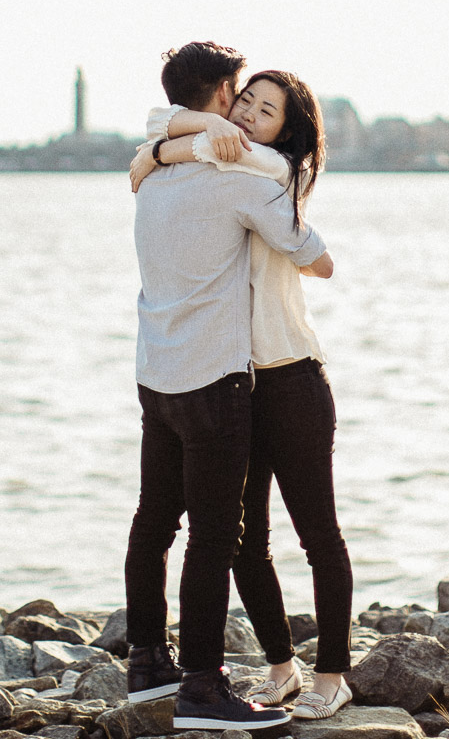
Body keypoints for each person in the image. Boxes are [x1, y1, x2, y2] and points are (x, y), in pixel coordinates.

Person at [129, 69, 355, 720]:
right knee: (239, 540)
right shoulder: (225, 166)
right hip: (234, 381)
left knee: (319, 535)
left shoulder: (275, 172)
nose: (251, 116)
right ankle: (283, 667)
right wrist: (176, 144)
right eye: (246, 103)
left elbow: (321, 261)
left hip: (293, 378)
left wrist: (163, 150)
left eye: (267, 110)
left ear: (290, 127)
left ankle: (332, 675)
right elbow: (154, 134)